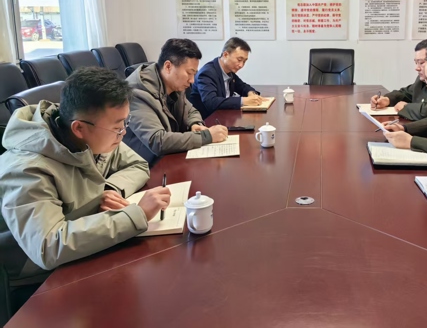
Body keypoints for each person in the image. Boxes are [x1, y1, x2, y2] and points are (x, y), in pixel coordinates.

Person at [0, 67, 171, 287]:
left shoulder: (92, 135)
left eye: (124, 124)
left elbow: (137, 164)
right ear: (79, 128)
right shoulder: (25, 169)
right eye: (117, 127)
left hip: (87, 247)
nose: (123, 133)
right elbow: (47, 247)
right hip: (41, 280)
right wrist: (136, 215)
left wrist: (109, 190)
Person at [123, 38, 228, 165]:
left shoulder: (174, 84)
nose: (192, 80)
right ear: (168, 66)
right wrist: (207, 136)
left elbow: (191, 111)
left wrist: (194, 124)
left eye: (194, 74)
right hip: (145, 165)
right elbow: (157, 141)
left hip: (168, 157)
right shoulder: (136, 93)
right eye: (189, 73)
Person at [189, 37, 264, 119]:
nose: (241, 65)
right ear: (225, 55)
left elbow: (242, 86)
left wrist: (251, 93)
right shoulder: (207, 73)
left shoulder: (229, 71)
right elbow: (211, 102)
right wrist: (244, 101)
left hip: (224, 117)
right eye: (239, 60)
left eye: (244, 61)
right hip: (208, 120)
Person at [370, 38, 427, 121]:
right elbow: (406, 93)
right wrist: (387, 99)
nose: (417, 68)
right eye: (416, 63)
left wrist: (406, 107)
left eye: (421, 63)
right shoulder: (421, 79)